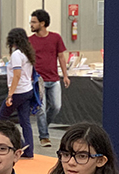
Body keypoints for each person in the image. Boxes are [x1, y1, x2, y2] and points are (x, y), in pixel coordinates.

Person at [29, 9, 70, 148]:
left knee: (56, 106)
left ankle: (43, 125)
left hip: (53, 79)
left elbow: (61, 57)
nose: (31, 24)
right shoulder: (30, 41)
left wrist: (65, 75)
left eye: (34, 22)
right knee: (41, 108)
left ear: (42, 23)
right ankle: (44, 136)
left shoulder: (55, 38)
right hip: (38, 80)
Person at [0, 28, 36, 159]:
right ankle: (28, 149)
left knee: (1, 119)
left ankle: (18, 143)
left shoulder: (16, 55)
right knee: (25, 121)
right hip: (27, 90)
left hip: (18, 91)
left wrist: (10, 94)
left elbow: (17, 75)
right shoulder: (27, 53)